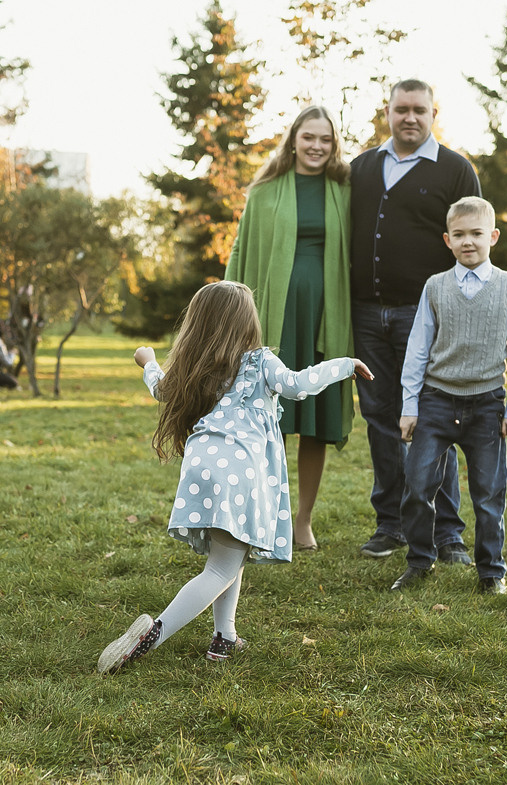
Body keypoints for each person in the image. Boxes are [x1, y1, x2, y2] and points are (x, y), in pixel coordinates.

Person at [98, 281, 372, 674]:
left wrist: (149, 361)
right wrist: (344, 365)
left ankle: (224, 636)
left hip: (203, 463)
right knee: (220, 568)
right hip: (238, 469)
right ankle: (153, 634)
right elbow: (296, 386)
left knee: (230, 555)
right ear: (247, 323)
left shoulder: (197, 364)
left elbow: (161, 389)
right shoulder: (260, 361)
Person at [350, 78, 482, 563]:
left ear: (433, 113)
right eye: (401, 108)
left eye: (419, 110)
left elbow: (474, 246)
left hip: (426, 317)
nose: (410, 117)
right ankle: (392, 525)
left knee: (435, 422)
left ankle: (447, 534)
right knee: (380, 420)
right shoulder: (361, 168)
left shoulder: (454, 170)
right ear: (387, 111)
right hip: (366, 315)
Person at [225, 105, 354, 552]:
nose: (317, 146)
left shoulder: (345, 190)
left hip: (325, 313)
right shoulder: (264, 192)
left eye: (325, 139)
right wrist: (231, 315)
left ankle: (302, 520)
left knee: (315, 420)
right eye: (309, 137)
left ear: (334, 144)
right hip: (274, 314)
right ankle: (262, 515)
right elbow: (241, 251)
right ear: (294, 139)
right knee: (267, 418)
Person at [390, 197, 507, 595]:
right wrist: (410, 405)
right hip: (436, 401)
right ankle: (420, 560)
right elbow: (417, 349)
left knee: (488, 494)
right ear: (447, 240)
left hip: (487, 404)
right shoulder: (435, 287)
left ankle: (491, 572)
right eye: (459, 235)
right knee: (417, 487)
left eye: (476, 234)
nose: (468, 242)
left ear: (493, 236)